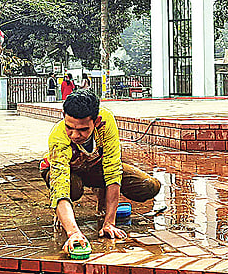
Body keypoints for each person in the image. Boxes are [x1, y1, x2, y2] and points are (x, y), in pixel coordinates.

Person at [41, 90, 162, 254]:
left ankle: (101, 197)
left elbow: (113, 171)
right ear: (63, 116)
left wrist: (109, 223)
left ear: (96, 121)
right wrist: (74, 233)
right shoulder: (58, 136)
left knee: (149, 186)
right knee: (72, 188)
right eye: (70, 127)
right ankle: (62, 214)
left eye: (83, 130)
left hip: (94, 167)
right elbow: (60, 186)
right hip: (69, 172)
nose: (75, 135)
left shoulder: (106, 122)